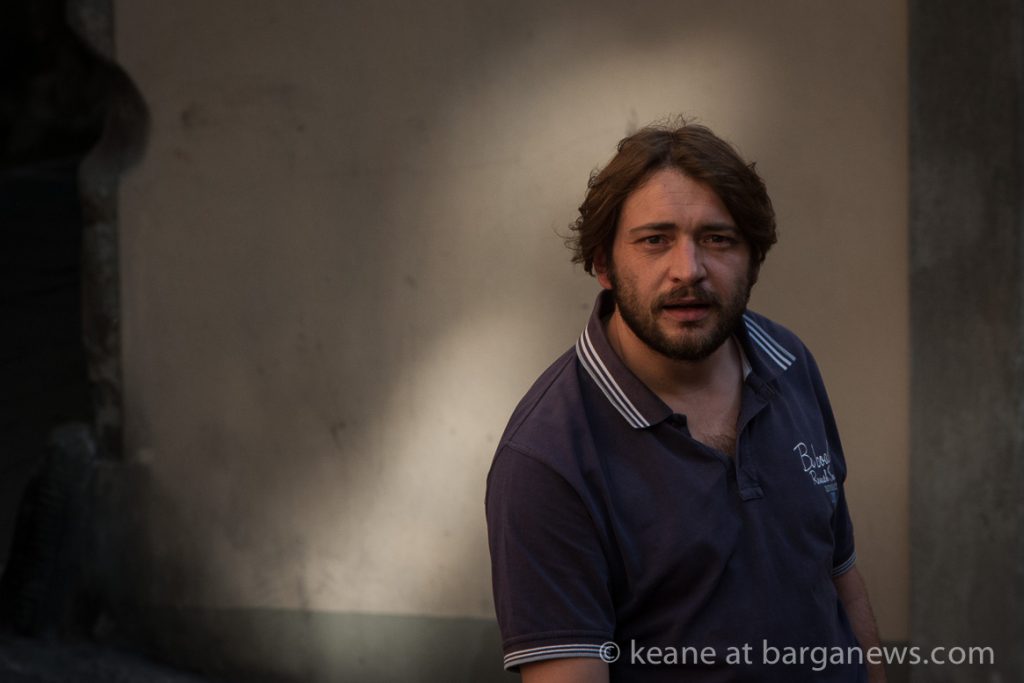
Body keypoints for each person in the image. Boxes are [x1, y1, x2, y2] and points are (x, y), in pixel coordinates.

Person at [485, 121, 886, 682]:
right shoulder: (548, 457)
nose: (688, 270)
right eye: (655, 240)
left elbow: (841, 581)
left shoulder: (789, 363)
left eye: (717, 239)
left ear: (753, 258)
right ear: (603, 263)